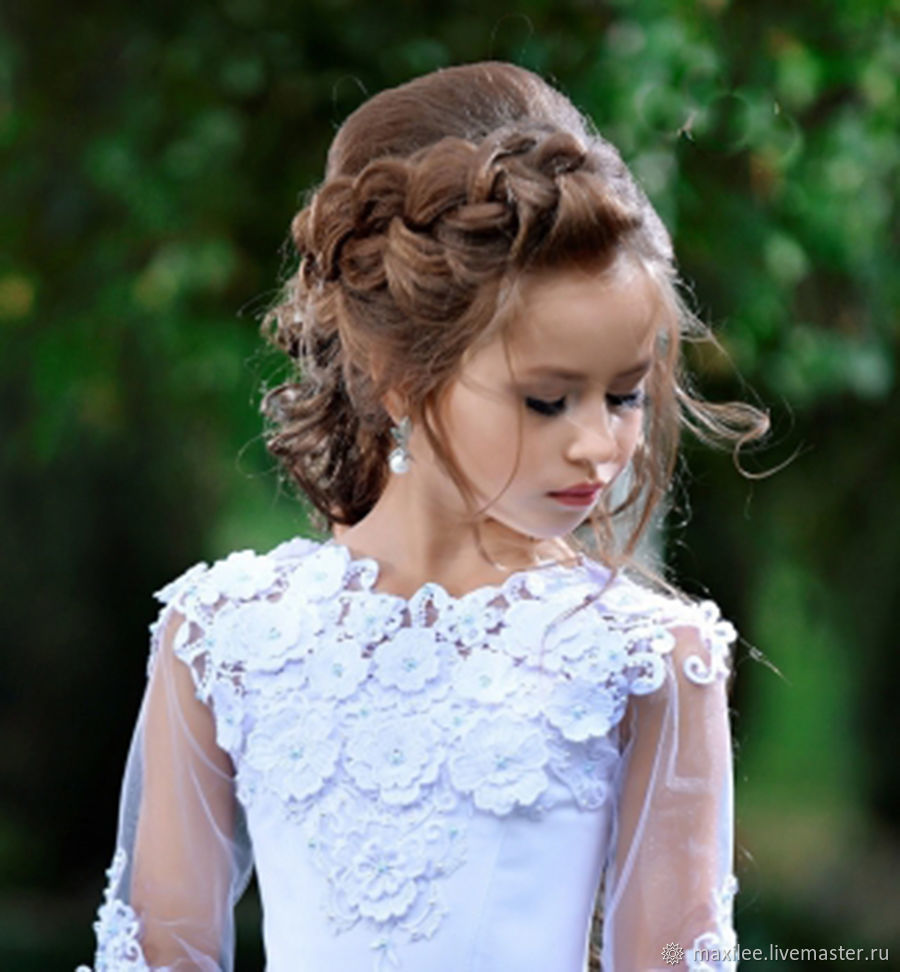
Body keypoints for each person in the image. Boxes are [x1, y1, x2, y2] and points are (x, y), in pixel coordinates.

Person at [78, 61, 768, 972]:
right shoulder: (227, 639)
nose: (600, 445)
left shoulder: (647, 657)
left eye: (626, 394)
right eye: (548, 400)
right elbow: (162, 953)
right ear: (399, 376)